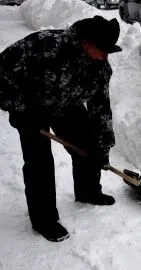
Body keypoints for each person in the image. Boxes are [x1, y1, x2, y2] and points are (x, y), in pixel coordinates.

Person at [0, 16, 122, 242]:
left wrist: (102, 147)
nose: (106, 57)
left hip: (65, 105)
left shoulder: (99, 68)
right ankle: (44, 220)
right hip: (30, 109)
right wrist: (16, 107)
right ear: (86, 43)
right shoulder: (44, 47)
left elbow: (101, 108)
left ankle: (87, 192)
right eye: (103, 50)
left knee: (88, 141)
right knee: (39, 162)